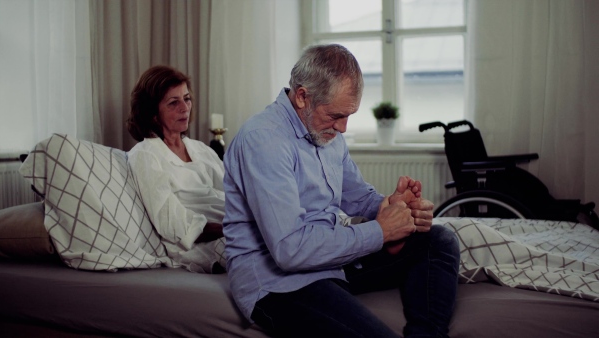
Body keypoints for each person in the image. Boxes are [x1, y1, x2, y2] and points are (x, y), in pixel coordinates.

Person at [223, 44, 460, 337]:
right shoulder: (263, 140)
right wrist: (381, 231)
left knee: (438, 240)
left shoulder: (325, 132)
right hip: (280, 283)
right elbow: (289, 250)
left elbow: (358, 197)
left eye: (349, 115)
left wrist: (394, 207)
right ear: (302, 97)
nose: (344, 128)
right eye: (336, 116)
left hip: (332, 263)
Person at [126, 65, 226, 273]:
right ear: (153, 113)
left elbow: (233, 193)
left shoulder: (201, 150)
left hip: (236, 227)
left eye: (187, 98)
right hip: (202, 243)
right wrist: (235, 228)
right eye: (174, 102)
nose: (185, 108)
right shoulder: (146, 155)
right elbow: (171, 223)